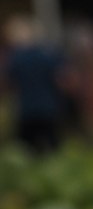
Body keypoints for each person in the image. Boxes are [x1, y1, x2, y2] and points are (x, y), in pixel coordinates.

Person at [3, 17, 69, 154]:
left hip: (26, 109)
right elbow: (62, 81)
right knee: (53, 149)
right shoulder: (50, 54)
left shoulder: (16, 57)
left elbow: (8, 83)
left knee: (26, 152)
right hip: (49, 107)